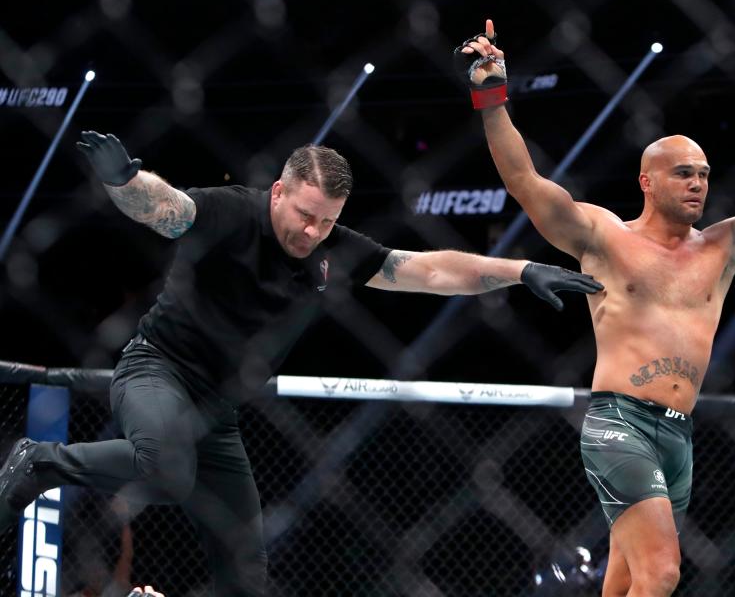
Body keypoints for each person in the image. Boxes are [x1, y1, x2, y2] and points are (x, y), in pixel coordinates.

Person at [0, 133, 603, 597]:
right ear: (279, 192)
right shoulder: (235, 213)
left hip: (221, 415)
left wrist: (520, 271)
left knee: (246, 573)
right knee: (164, 470)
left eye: (328, 221)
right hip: (160, 371)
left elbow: (431, 269)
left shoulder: (332, 247)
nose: (313, 231)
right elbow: (169, 209)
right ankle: (41, 461)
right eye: (305, 215)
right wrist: (124, 180)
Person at [457, 19, 735, 597]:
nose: (698, 184)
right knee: (663, 572)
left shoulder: (723, 248)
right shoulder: (603, 237)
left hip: (680, 436)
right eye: (683, 173)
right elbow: (525, 181)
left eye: (703, 174)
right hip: (619, 422)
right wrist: (491, 96)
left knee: (625, 580)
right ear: (646, 181)